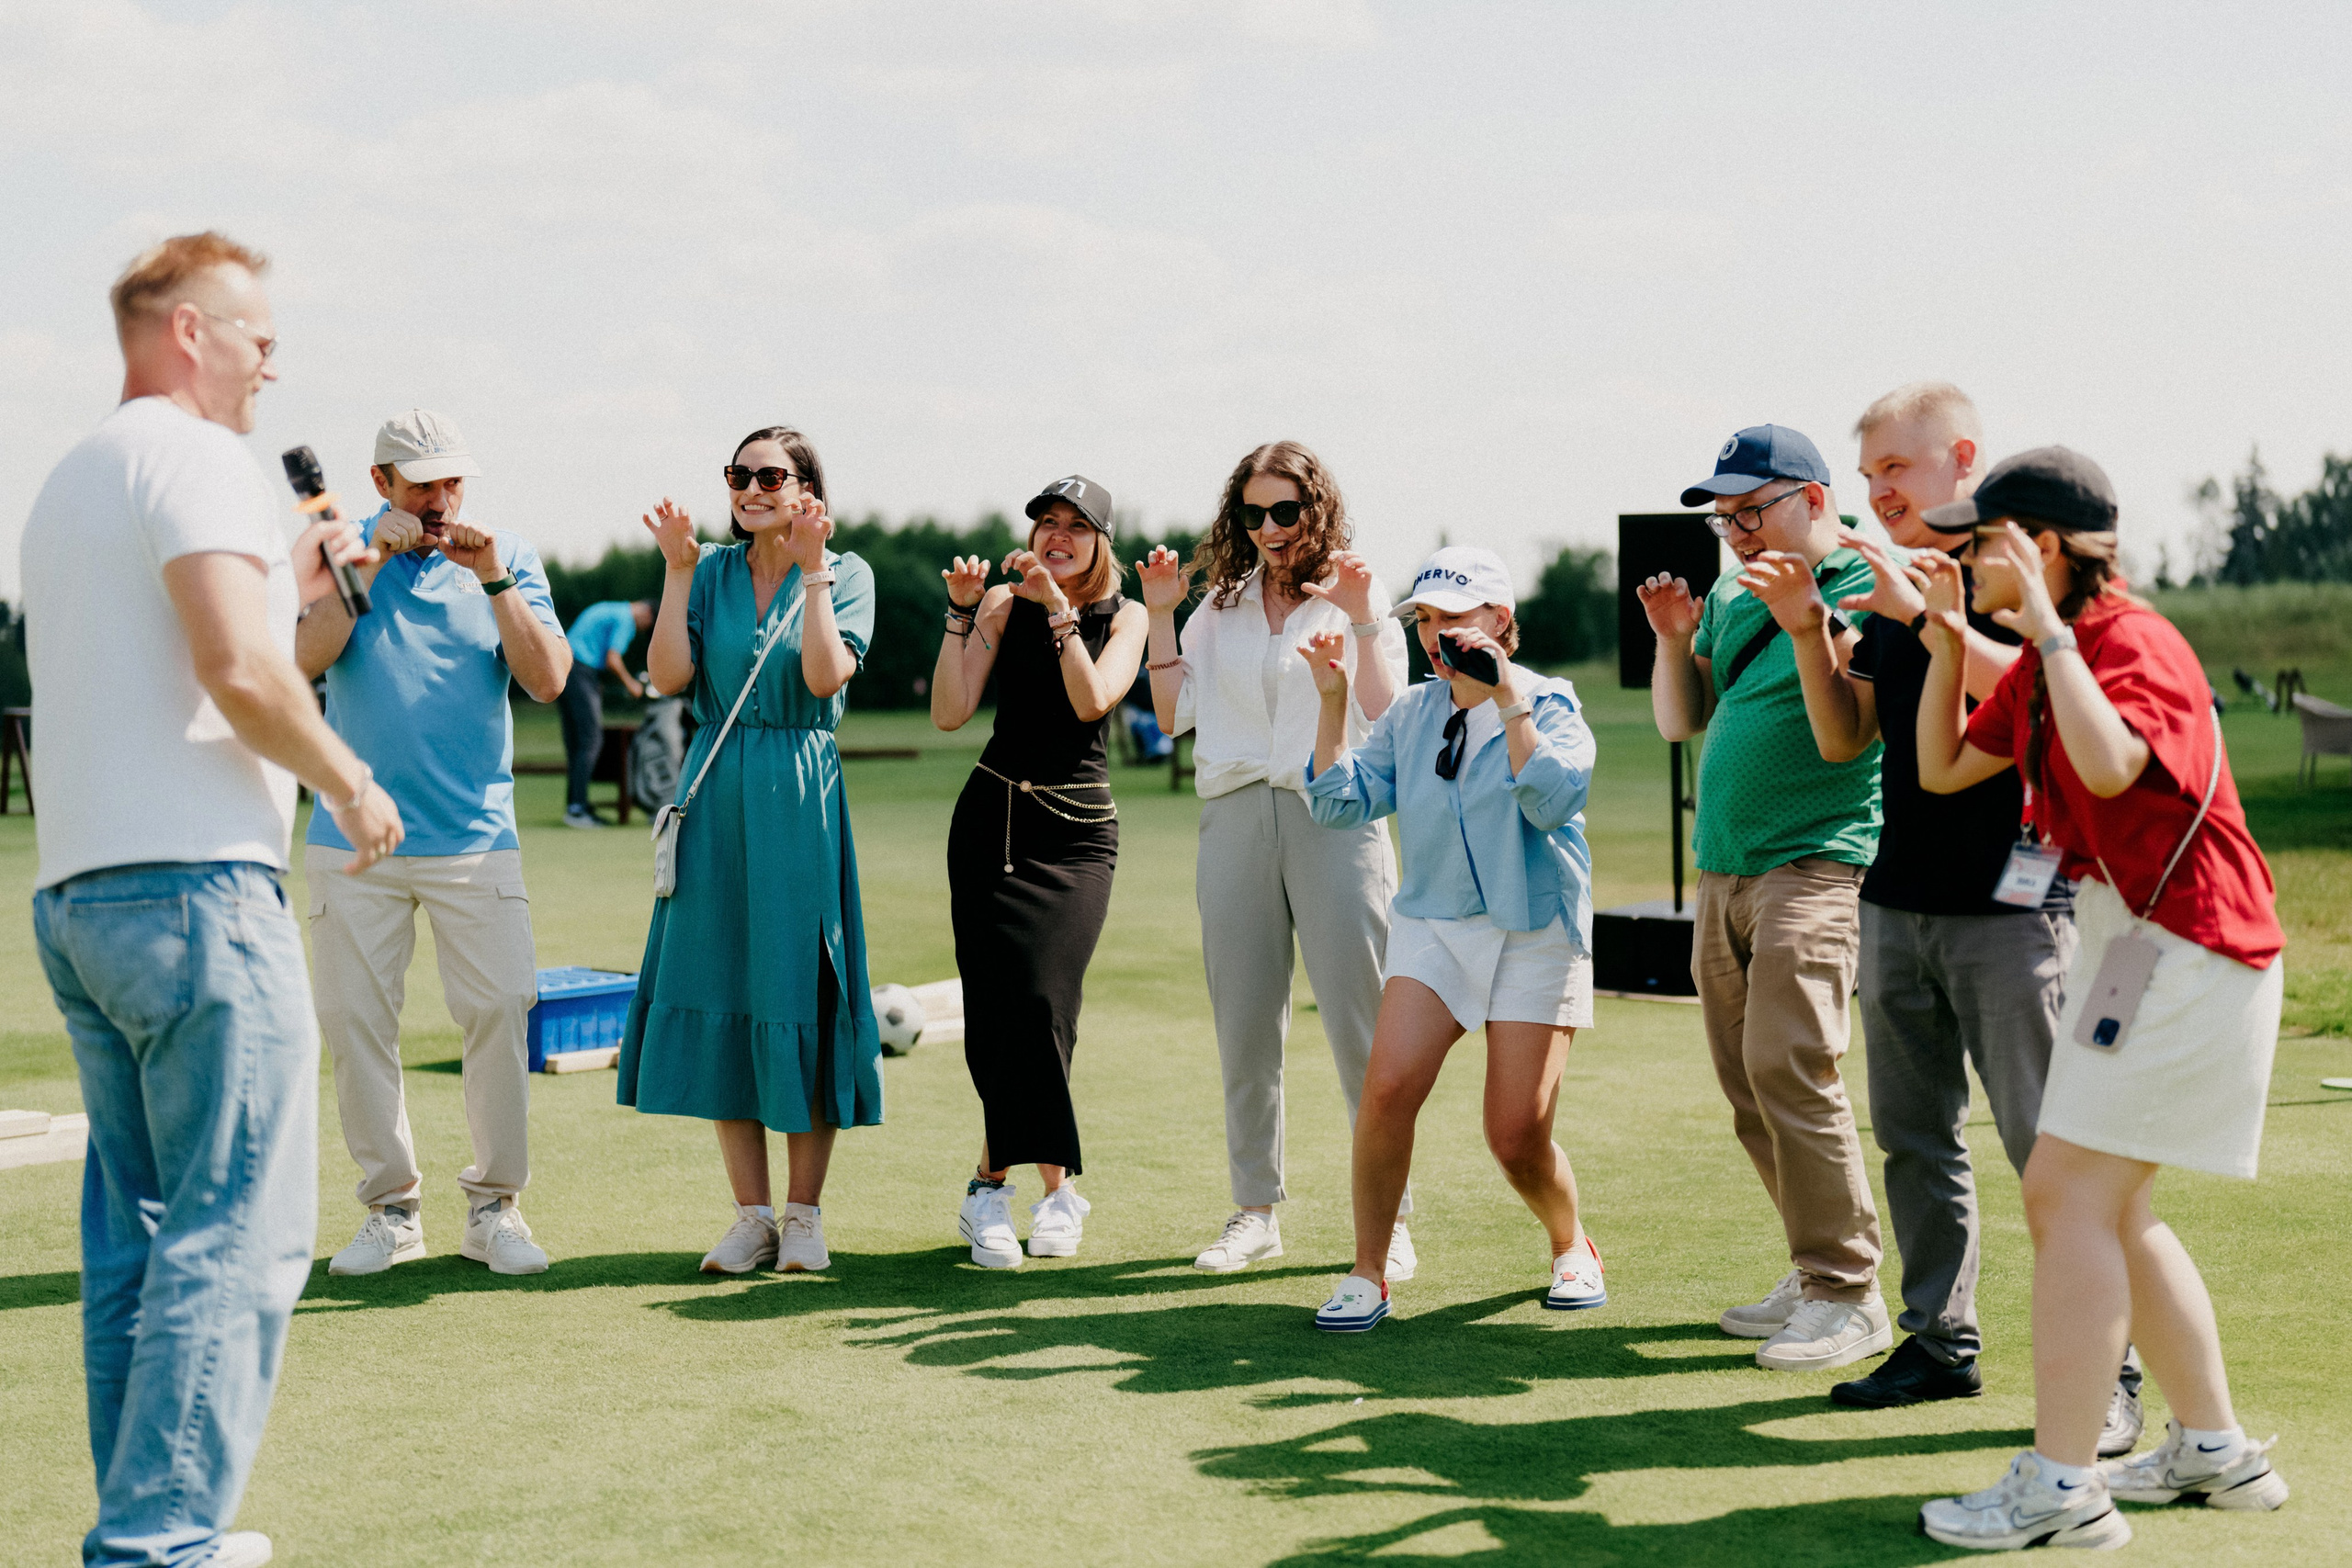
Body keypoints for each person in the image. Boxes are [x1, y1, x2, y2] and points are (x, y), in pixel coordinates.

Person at [23, 231, 402, 1568]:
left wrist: (293, 588)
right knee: (240, 1223)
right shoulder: (196, 456)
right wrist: (350, 779)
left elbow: (185, 655)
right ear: (187, 331)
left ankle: (143, 1521)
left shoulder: (75, 473)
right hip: (195, 890)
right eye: (254, 334)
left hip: (82, 893)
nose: (270, 359)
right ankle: (161, 1538)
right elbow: (242, 675)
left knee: (137, 1226)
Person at [1914, 448, 2290, 1551]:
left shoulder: (2128, 643)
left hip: (2190, 943)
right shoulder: (2047, 652)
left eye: (1975, 540)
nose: (1958, 555)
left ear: (2035, 547)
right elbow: (1941, 769)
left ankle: (2062, 1487)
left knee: (2063, 1196)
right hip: (2139, 943)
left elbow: (2114, 764)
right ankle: (2215, 1451)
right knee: (2110, 1208)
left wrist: (2052, 635)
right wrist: (1946, 641)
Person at [1636, 424, 1890, 1373]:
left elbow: (1845, 741)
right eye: (1725, 518)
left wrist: (1805, 624)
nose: (1736, 532)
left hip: (1814, 863)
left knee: (1793, 1067)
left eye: (1754, 509)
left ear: (1813, 500)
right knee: (1748, 1086)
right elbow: (1679, 718)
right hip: (1725, 868)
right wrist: (1672, 640)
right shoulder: (1737, 599)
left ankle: (1847, 1291)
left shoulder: (1864, 586)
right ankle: (1811, 1262)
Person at [298, 409, 572, 1280]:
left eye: (453, 481)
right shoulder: (338, 555)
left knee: (499, 1010)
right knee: (354, 1023)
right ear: (382, 484)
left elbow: (546, 679)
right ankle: (392, 1209)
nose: (443, 499)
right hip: (350, 837)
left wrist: (493, 578)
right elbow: (299, 658)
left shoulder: (508, 556)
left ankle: (495, 1208)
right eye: (424, 484)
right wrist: (368, 564)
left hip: (475, 836)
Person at [1299, 547, 1602, 1331]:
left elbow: (1552, 801)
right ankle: (1369, 1272)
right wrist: (1332, 702)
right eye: (1427, 621)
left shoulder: (1551, 702)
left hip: (1535, 928)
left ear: (1501, 622)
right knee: (1388, 1087)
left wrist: (1506, 701)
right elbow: (1338, 804)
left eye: (1456, 619)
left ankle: (1571, 1243)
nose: (1439, 637)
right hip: (1434, 922)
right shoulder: (1408, 712)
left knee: (1516, 1135)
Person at [1136, 441, 1414, 1278]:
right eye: (1253, 513)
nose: (1268, 528)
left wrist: (1362, 613)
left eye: (1284, 512)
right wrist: (1157, 612)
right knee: (1246, 1027)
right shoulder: (1217, 607)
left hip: (1336, 817)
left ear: (1316, 509)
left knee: (1362, 1029)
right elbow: (1171, 712)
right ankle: (1255, 1211)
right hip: (1233, 817)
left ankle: (1390, 1221)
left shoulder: (1353, 597)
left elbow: (1386, 712)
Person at [616, 427, 884, 1275]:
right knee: (723, 984)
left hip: (798, 794)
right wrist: (677, 568)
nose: (751, 487)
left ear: (807, 489)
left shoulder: (848, 573)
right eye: (740, 474)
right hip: (714, 788)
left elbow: (820, 677)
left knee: (798, 986)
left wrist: (811, 571)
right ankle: (752, 1216)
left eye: (771, 474)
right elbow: (666, 677)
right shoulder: (715, 572)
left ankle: (804, 1216)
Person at [931, 475, 1148, 1268]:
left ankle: (1001, 1181)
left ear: (1101, 539)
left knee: (1044, 1001)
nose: (1056, 536)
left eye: (1075, 526)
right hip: (990, 822)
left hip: (1078, 835)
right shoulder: (998, 603)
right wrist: (961, 612)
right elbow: (950, 711)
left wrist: (1058, 608)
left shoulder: (1128, 615)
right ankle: (1031, 1193)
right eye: (1045, 523)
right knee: (1000, 1012)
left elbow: (1092, 702)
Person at [559, 597, 653, 828]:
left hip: (566, 667)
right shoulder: (626, 620)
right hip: (580, 670)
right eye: (648, 627)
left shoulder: (612, 608)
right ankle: (577, 809)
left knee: (577, 741)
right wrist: (631, 684)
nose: (643, 630)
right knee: (591, 739)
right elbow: (613, 659)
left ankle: (576, 805)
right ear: (647, 614)